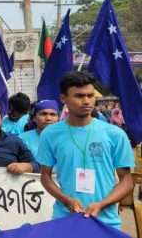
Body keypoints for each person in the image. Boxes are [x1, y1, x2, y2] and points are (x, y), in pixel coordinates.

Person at [38, 71, 134, 229]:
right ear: (63, 98)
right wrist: (66, 200)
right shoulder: (50, 134)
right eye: (79, 96)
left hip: (105, 221)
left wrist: (102, 204)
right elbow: (45, 176)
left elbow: (127, 180)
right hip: (65, 219)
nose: (86, 101)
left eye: (90, 95)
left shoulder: (115, 134)